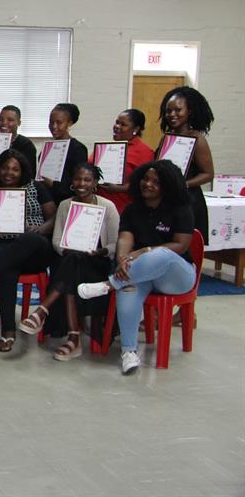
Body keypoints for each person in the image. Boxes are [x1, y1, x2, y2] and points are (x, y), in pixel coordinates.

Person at [77, 160, 196, 375]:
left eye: (156, 181)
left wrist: (143, 251)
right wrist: (122, 259)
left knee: (160, 254)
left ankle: (108, 285)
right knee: (127, 288)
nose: (148, 184)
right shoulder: (133, 210)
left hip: (177, 275)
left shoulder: (181, 208)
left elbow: (180, 245)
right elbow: (125, 238)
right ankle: (129, 352)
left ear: (167, 186)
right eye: (145, 179)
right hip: (142, 273)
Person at [17, 163, 119, 361]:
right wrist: (67, 249)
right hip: (70, 259)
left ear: (95, 183)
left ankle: (43, 311)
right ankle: (73, 338)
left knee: (71, 267)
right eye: (78, 179)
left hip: (97, 263)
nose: (82, 184)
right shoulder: (65, 205)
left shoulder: (107, 207)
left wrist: (100, 251)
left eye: (87, 180)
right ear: (72, 181)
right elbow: (56, 241)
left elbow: (115, 244)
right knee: (73, 262)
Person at [0, 149, 56, 352]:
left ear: (22, 171)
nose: (9, 173)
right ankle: (8, 331)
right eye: (5, 168)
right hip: (2, 246)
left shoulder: (36, 187)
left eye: (15, 169)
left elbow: (53, 217)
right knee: (6, 267)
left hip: (35, 249)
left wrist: (39, 229)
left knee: (28, 238)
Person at [156, 86, 214, 242]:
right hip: (167, 198)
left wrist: (184, 184)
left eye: (178, 110)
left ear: (190, 112)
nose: (172, 114)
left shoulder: (197, 139)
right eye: (168, 111)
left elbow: (208, 174)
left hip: (188, 201)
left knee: (187, 248)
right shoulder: (166, 138)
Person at [96, 109, 156, 214]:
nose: (117, 126)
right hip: (98, 205)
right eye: (117, 122)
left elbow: (146, 183)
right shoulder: (106, 147)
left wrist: (120, 189)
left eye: (123, 124)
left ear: (136, 129)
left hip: (123, 209)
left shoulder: (144, 152)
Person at [40, 103, 88, 206]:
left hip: (67, 202)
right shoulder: (47, 148)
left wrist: (54, 185)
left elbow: (79, 181)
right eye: (51, 122)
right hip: (45, 201)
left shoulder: (78, 149)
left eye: (59, 122)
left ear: (69, 123)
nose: (54, 126)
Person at [0, 105, 36, 180]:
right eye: (1, 119)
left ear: (19, 123)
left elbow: (30, 175)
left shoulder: (26, 145)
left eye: (10, 120)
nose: (4, 123)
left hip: (17, 187)